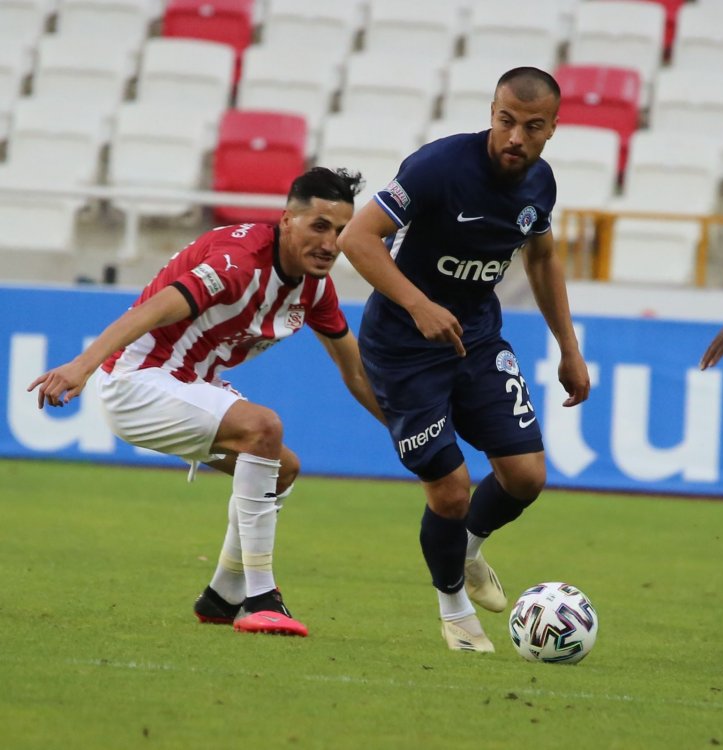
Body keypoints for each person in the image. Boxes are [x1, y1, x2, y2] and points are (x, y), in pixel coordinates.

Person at [28, 167, 384, 638]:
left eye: (341, 231)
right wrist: (83, 365)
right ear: (287, 221)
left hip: (190, 382)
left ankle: (222, 595)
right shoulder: (238, 262)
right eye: (319, 226)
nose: (331, 243)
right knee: (264, 427)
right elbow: (151, 311)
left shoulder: (316, 288)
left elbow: (356, 371)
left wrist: (409, 433)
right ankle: (262, 597)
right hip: (136, 382)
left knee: (283, 468)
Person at [337, 67, 590, 653]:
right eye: (505, 121)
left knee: (526, 478)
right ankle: (453, 607)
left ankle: (469, 550)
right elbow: (357, 238)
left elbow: (544, 258)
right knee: (449, 490)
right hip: (403, 347)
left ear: (552, 128)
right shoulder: (438, 168)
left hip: (476, 340)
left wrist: (569, 349)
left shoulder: (540, 184)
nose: (514, 138)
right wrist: (418, 303)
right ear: (492, 112)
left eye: (531, 127)